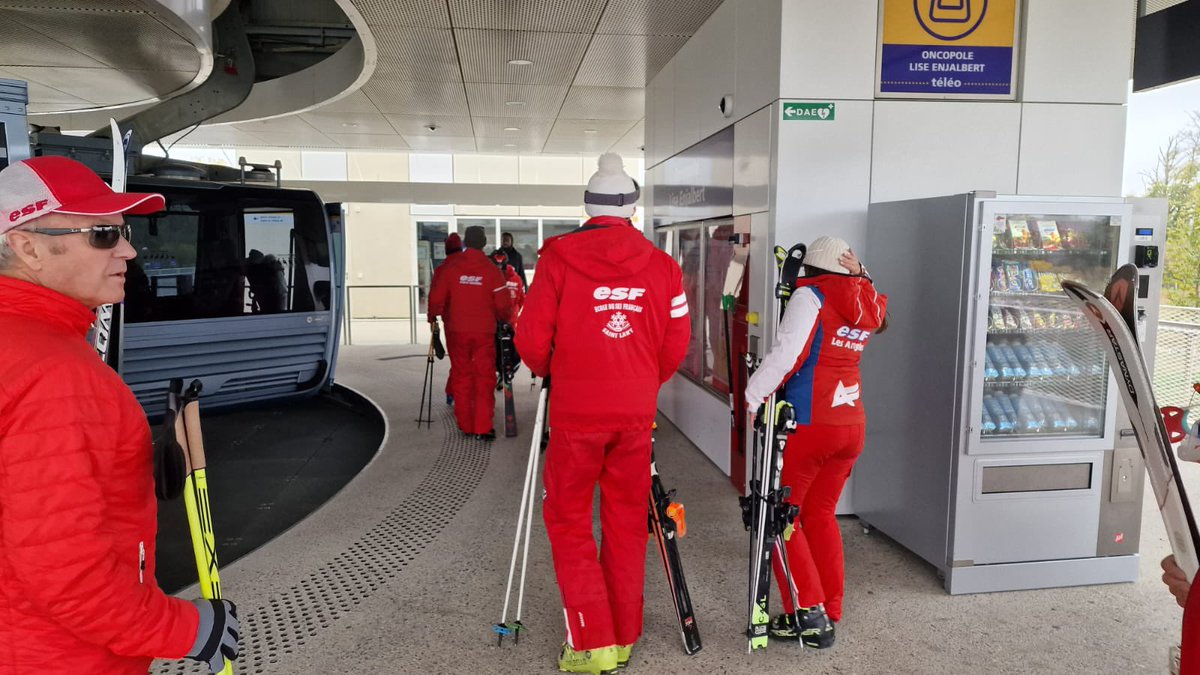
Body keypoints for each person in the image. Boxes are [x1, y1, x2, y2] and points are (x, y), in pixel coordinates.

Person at [0, 156, 240, 674]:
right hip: (55, 657)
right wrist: (186, 628)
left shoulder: (25, 347)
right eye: (103, 234)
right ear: (28, 247)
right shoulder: (54, 374)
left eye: (123, 231)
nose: (129, 249)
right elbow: (66, 570)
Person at [515, 152, 690, 673]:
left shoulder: (557, 258)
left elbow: (531, 338)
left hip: (575, 413)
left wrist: (559, 371)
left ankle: (592, 642)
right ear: (633, 210)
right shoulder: (664, 267)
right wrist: (640, 381)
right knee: (625, 519)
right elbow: (676, 342)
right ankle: (625, 633)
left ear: (587, 206)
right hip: (635, 413)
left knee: (568, 518)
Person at [743, 235, 888, 649]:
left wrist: (753, 398)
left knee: (783, 517)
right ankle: (830, 606)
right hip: (851, 422)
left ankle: (806, 613)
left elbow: (786, 356)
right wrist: (862, 275)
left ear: (812, 270)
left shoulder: (811, 299)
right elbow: (867, 304)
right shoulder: (866, 301)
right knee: (820, 514)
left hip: (810, 423)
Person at [428, 225, 513, 440]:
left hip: (457, 331)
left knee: (461, 375)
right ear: (484, 243)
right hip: (484, 332)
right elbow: (503, 305)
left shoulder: (451, 267)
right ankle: (483, 427)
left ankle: (465, 425)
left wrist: (432, 317)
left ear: (466, 242)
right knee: (484, 378)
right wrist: (505, 319)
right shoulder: (491, 269)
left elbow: (437, 296)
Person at [432, 232, 464, 405]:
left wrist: (432, 319)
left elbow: (434, 297)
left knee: (457, 358)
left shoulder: (441, 270)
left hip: (450, 322)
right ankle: (456, 392)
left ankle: (453, 391)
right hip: (470, 320)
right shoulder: (468, 268)